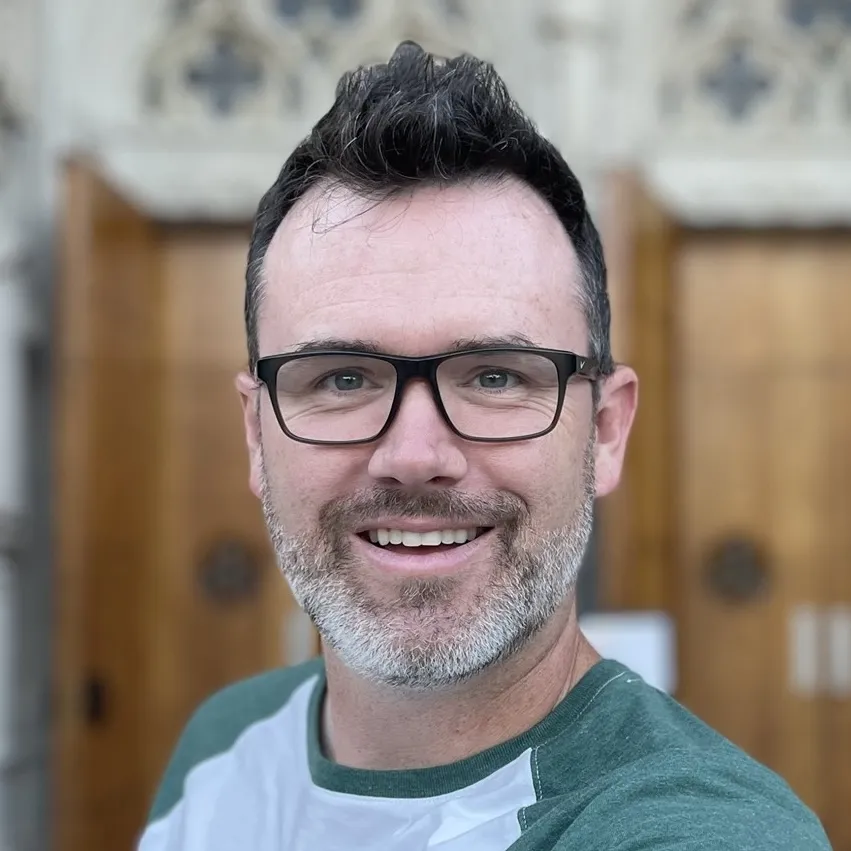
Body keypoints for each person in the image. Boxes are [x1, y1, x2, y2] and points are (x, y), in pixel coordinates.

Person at [137, 41, 831, 851]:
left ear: (605, 430)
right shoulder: (225, 740)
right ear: (256, 433)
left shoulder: (693, 831)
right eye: (343, 378)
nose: (413, 452)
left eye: (495, 376)